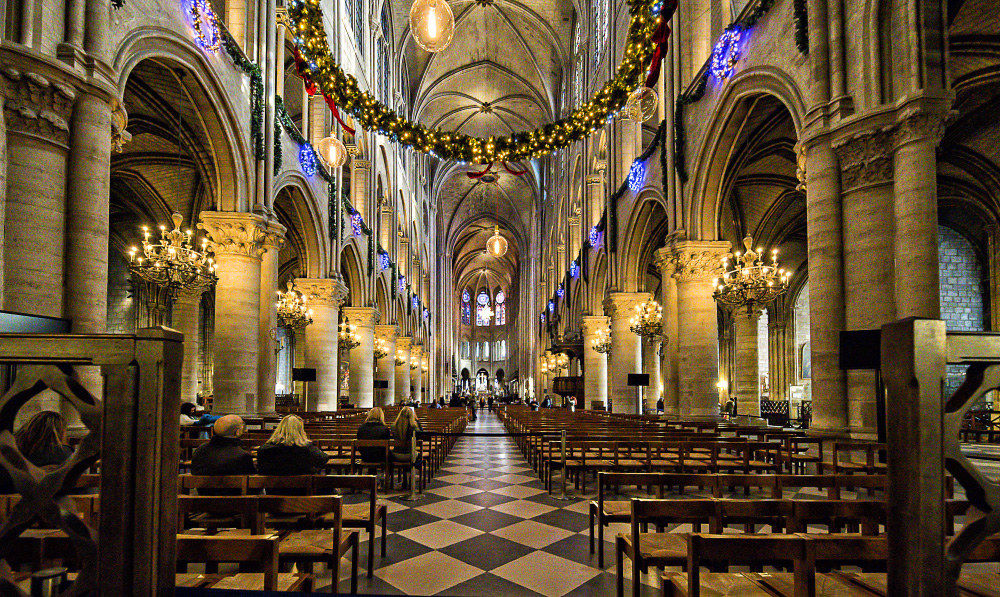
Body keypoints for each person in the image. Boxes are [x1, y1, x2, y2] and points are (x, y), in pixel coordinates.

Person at [256, 415, 329, 475]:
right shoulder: (306, 448)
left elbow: (261, 470)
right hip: (303, 491)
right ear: (300, 430)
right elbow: (323, 459)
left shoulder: (264, 450)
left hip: (273, 491)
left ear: (279, 428)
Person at [191, 415, 255, 476]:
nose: (245, 430)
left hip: (202, 487)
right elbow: (251, 483)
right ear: (237, 432)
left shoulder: (200, 450)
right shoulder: (243, 456)